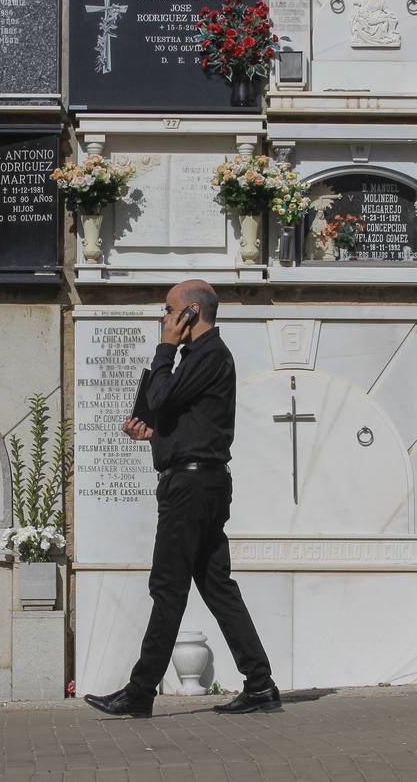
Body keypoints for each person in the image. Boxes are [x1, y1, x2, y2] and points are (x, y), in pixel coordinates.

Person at [84, 280, 278, 719]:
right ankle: (260, 684)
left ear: (191, 312)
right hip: (199, 482)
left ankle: (139, 692)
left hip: (191, 490)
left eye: (169, 310)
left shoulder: (206, 355)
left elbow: (161, 394)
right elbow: (179, 417)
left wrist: (164, 348)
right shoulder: (203, 358)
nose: (164, 318)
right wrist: (155, 434)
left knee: (168, 587)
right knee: (216, 587)